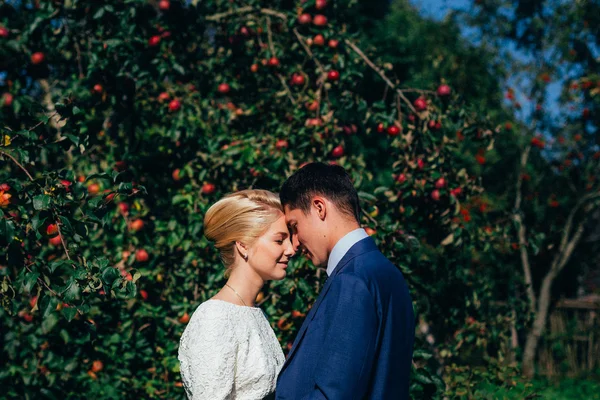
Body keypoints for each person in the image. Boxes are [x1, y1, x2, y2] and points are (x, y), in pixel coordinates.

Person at [276, 162, 415, 400]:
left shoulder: (352, 280)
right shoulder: (387, 273)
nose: (295, 243)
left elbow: (334, 394)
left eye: (294, 226)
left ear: (319, 207)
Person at [178, 189, 295, 400]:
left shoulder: (254, 313)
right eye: (279, 240)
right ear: (243, 245)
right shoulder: (214, 317)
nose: (291, 249)